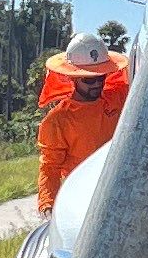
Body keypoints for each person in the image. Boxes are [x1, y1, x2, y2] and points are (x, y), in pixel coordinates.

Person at [35, 27, 131, 214]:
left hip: (121, 188)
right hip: (82, 196)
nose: (96, 84)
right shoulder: (57, 120)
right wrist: (47, 205)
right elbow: (50, 167)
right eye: (88, 80)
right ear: (74, 78)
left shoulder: (118, 97)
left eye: (100, 77)